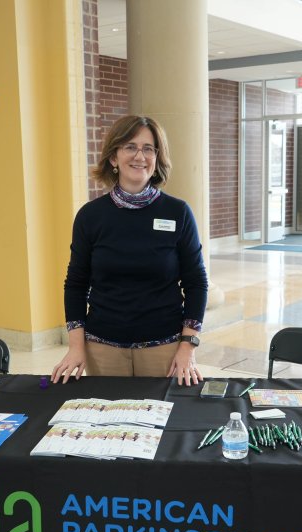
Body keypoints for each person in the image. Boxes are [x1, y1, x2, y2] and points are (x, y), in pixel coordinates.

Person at [51, 115, 208, 386]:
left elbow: (197, 284)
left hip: (165, 349)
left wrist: (188, 347)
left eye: (149, 148)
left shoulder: (178, 212)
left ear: (157, 158)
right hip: (103, 349)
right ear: (113, 158)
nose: (140, 156)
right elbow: (76, 284)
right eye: (130, 147)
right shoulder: (91, 216)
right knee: (109, 426)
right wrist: (76, 346)